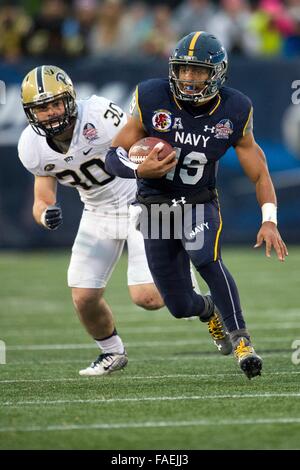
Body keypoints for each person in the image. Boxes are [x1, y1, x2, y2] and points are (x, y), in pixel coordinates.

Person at [18, 65, 223, 378]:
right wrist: (46, 215)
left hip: (140, 204)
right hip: (97, 212)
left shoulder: (99, 114)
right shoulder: (31, 145)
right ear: (31, 113)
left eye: (56, 103)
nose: (50, 113)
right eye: (41, 108)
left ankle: (207, 307)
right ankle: (111, 352)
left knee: (149, 298)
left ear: (70, 99)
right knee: (83, 296)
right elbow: (41, 198)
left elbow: (142, 140)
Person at [105, 31, 288, 379]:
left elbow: (260, 172)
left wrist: (269, 220)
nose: (188, 78)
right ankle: (207, 311)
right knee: (178, 305)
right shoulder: (151, 95)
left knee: (205, 256)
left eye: (198, 71)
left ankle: (242, 341)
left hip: (197, 201)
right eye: (183, 70)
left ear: (216, 73)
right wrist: (137, 168)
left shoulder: (235, 109)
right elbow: (113, 154)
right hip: (155, 206)